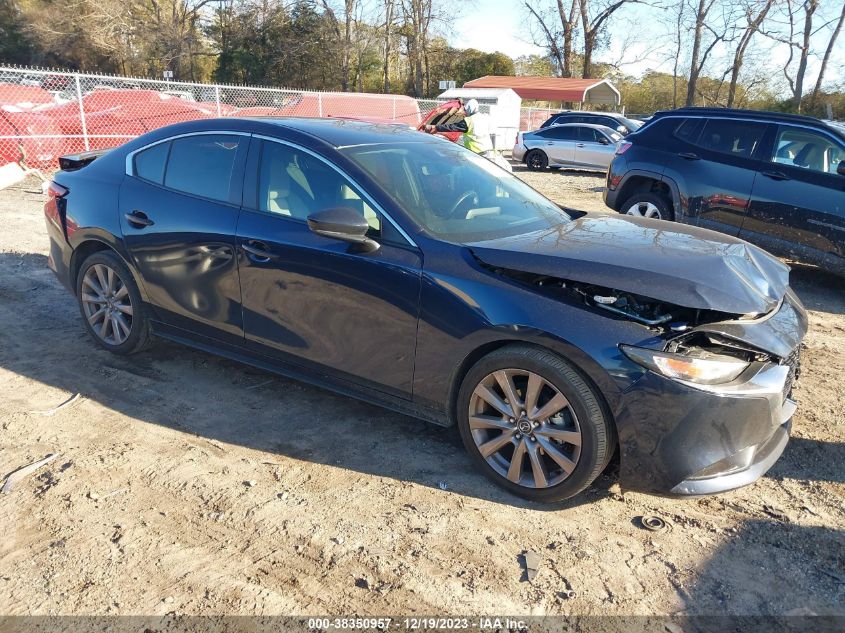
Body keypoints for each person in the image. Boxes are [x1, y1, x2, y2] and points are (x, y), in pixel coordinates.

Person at [424, 99, 512, 172]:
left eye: (466, 110)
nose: (465, 112)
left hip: (476, 155)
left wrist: (435, 127)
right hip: (489, 153)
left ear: (469, 109)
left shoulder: (469, 121)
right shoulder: (484, 117)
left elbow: (452, 127)